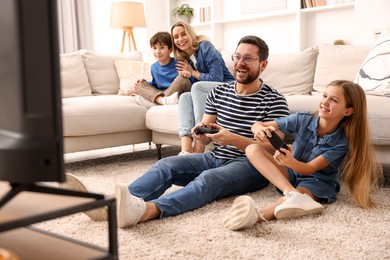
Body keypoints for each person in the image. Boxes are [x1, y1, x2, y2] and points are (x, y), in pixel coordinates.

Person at [223, 80, 382, 231]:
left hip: (316, 181)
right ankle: (293, 194)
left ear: (348, 111)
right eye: (325, 95)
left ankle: (256, 216)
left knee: (284, 203)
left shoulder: (340, 143)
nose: (325, 101)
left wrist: (290, 161)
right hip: (291, 174)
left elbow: (310, 168)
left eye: (334, 100)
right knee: (252, 149)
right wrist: (257, 129)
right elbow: (259, 124)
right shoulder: (303, 119)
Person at [169, 21, 235, 155]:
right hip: (210, 92)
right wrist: (188, 75)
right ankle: (186, 150)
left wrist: (193, 72)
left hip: (228, 88)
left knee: (197, 87)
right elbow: (195, 89)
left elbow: (217, 78)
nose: (180, 39)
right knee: (185, 97)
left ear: (191, 34)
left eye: (183, 34)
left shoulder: (205, 47)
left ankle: (199, 148)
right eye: (176, 37)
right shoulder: (184, 58)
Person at [133, 31, 193, 107]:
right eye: (154, 48)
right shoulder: (154, 67)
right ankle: (162, 101)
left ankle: (157, 102)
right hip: (164, 94)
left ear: (170, 50)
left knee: (182, 79)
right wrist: (143, 83)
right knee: (139, 85)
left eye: (162, 48)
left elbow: (189, 82)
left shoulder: (179, 63)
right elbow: (155, 85)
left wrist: (188, 75)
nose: (157, 52)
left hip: (176, 93)